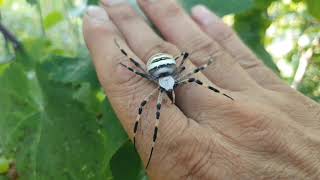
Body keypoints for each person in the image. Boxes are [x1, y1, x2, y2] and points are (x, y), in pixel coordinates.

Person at [83, 0, 320, 179]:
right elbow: (139, 73)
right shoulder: (158, 85)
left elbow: (197, 75)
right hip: (161, 67)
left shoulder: (179, 78)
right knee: (149, 107)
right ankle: (147, 141)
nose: (171, 90)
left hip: (164, 68)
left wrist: (210, 71)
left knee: (182, 88)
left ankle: (149, 142)